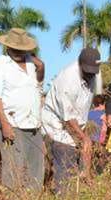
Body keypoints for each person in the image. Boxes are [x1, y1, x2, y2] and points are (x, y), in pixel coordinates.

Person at [0, 28, 45, 190]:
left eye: (21, 49)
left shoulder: (32, 62)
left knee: (35, 171)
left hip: (34, 125)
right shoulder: (0, 64)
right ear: (8, 47)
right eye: (15, 49)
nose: (19, 52)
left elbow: (39, 83)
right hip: (14, 125)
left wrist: (41, 67)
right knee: (14, 171)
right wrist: (5, 124)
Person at [41, 47, 103, 189]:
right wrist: (84, 138)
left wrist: (84, 136)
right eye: (87, 72)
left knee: (81, 167)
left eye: (93, 72)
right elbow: (68, 118)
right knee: (66, 165)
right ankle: (64, 197)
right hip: (59, 128)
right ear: (80, 64)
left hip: (76, 128)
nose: (90, 75)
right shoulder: (67, 80)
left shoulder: (93, 74)